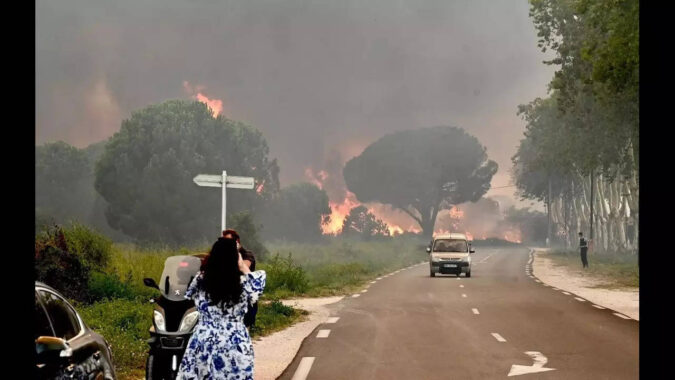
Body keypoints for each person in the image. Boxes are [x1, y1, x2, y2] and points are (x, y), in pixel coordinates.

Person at [177, 237, 266, 379]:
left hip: (204, 339)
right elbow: (256, 287)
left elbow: (188, 294)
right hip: (234, 341)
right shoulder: (243, 284)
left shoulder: (201, 281)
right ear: (236, 257)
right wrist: (242, 265)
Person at [222, 229, 259, 329]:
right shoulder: (225, 255)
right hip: (230, 294)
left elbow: (242, 267)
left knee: (244, 328)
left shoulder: (247, 254)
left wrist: (236, 252)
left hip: (246, 294)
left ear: (237, 241)